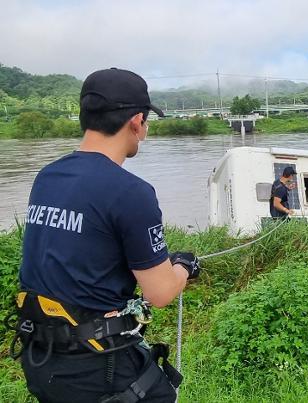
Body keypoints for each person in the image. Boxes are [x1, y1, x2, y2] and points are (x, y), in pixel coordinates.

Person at [12, 68, 201, 403]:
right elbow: (159, 293)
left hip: (41, 357)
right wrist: (184, 265)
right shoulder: (131, 192)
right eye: (146, 123)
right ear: (136, 121)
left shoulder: (47, 176)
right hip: (97, 369)